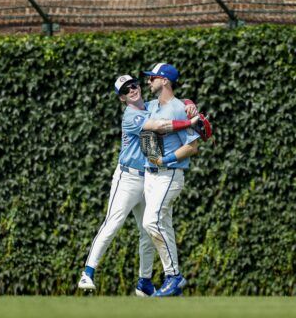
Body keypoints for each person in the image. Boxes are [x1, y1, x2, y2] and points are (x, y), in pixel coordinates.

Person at [77, 74, 203, 297]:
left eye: (133, 85)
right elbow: (160, 125)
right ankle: (88, 272)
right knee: (113, 223)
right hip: (127, 178)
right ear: (122, 99)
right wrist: (190, 122)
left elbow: (176, 101)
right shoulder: (131, 115)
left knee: (148, 230)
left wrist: (190, 105)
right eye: (126, 90)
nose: (132, 90)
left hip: (148, 177)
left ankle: (144, 281)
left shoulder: (152, 105)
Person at [140, 63, 201, 298]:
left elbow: (192, 146)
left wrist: (164, 160)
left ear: (164, 81)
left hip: (170, 175)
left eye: (152, 78)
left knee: (151, 222)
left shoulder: (178, 109)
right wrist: (189, 101)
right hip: (151, 176)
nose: (148, 81)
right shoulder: (152, 106)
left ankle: (174, 276)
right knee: (163, 226)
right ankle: (172, 282)